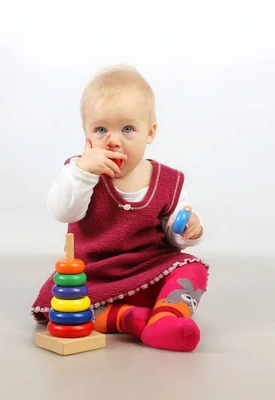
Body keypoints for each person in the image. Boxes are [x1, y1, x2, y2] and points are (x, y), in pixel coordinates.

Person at [31, 65, 209, 352]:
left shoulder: (167, 181)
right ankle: (129, 319)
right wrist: (83, 172)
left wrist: (189, 230)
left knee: (193, 268)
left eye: (127, 129)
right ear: (86, 133)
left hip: (147, 270)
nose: (113, 140)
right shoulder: (79, 173)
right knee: (66, 309)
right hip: (94, 276)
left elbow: (173, 236)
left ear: (150, 132)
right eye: (101, 129)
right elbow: (63, 211)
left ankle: (166, 318)